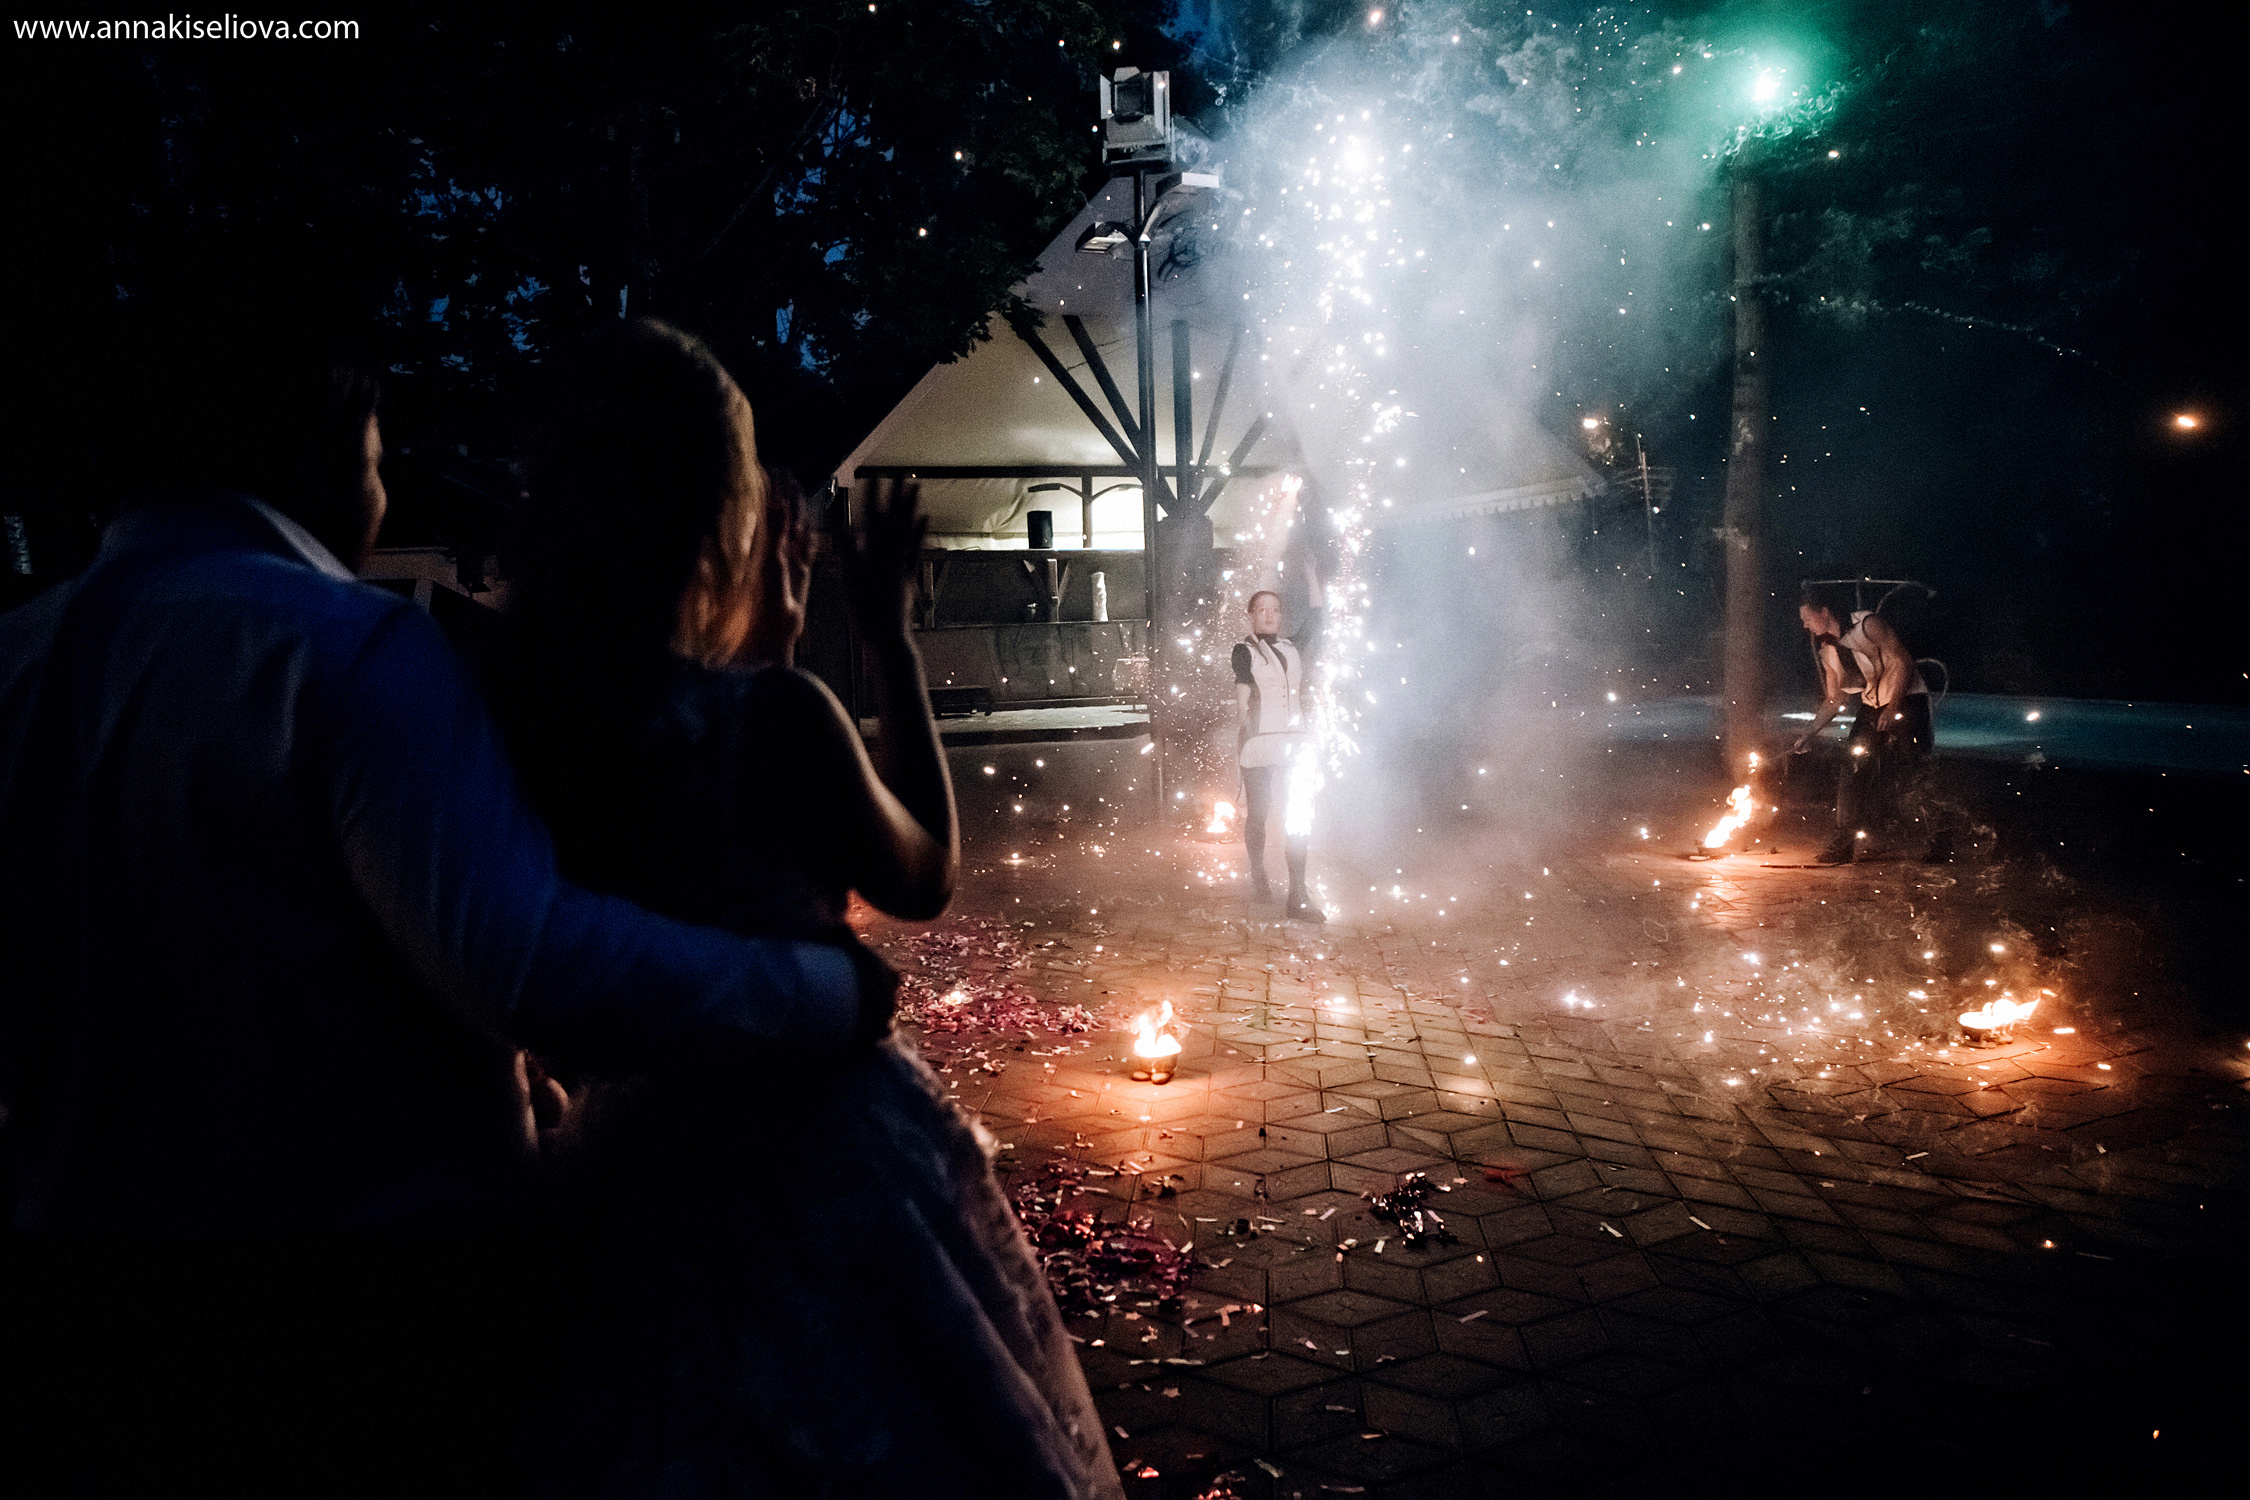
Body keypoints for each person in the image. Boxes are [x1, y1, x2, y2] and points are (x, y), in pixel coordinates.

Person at [0, 317, 888, 1498]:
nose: (381, 482)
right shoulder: (351, 648)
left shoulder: (21, 651)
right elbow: (524, 960)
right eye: (376, 454)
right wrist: (824, 990)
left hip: (86, 1288)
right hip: (370, 1305)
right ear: (319, 455)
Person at [496, 318, 1120, 1500]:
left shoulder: (533, 731)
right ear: (720, 521)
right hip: (817, 1160)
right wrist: (886, 640)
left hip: (637, 1165)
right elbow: (922, 873)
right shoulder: (775, 720)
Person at [1790, 591, 1951, 864]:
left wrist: (1893, 707)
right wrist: (1809, 732)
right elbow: (1834, 698)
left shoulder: (1868, 624)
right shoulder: (1828, 650)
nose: (1805, 625)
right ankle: (1843, 843)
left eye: (1807, 618)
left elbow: (1903, 661)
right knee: (1852, 765)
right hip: (1872, 704)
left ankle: (1940, 840)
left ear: (1824, 612)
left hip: (1908, 699)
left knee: (1916, 770)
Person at [1232, 589, 1323, 921]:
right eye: (1261, 610)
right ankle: (1258, 875)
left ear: (1280, 615)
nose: (1269, 615)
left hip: (1295, 741)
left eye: (1274, 609)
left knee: (1298, 814)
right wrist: (1243, 714)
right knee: (1258, 812)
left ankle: (1298, 893)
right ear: (1252, 615)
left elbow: (1317, 619)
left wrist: (1313, 576)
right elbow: (1242, 684)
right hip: (1260, 741)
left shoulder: (1292, 646)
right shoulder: (1244, 650)